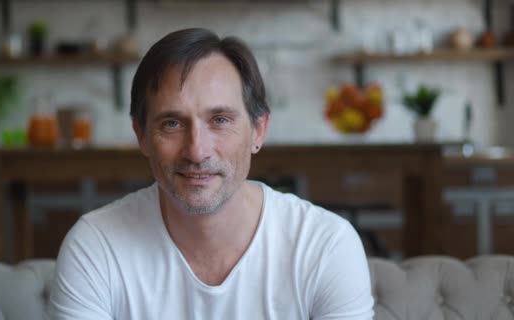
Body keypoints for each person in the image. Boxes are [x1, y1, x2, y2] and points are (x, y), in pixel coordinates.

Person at [48, 28, 374, 319]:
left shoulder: (324, 246)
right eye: (172, 123)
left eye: (220, 120)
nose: (197, 151)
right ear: (141, 136)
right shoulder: (95, 246)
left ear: (259, 131)